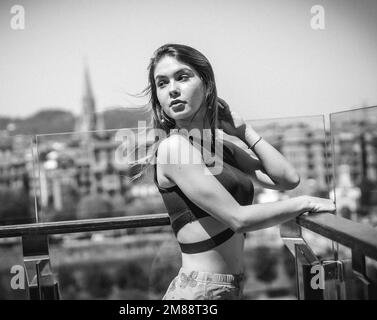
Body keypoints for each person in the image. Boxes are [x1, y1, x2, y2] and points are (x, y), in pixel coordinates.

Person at [137, 43, 335, 300]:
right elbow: (238, 218)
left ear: (207, 84)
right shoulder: (175, 147)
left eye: (182, 77)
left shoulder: (219, 148)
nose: (172, 89)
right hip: (200, 291)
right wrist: (304, 202)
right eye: (162, 83)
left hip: (223, 288)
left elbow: (287, 179)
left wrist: (243, 131)